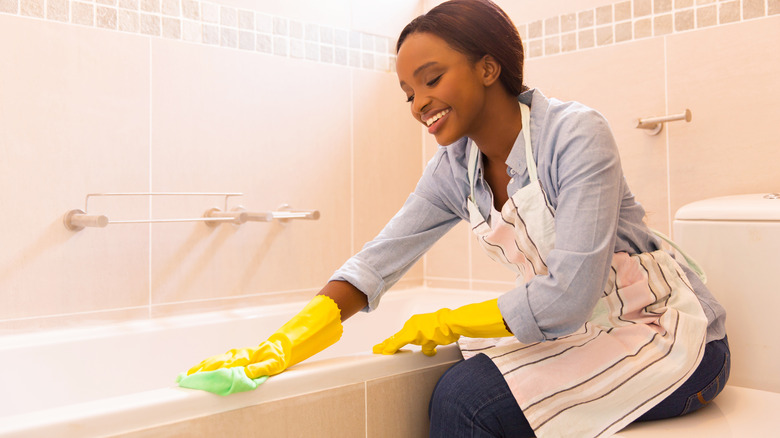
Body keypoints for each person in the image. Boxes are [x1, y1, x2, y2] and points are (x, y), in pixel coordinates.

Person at [185, 1, 729, 436]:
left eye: (431, 78)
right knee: (461, 383)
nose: (419, 102)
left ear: (488, 67)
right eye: (408, 92)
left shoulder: (575, 135)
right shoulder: (455, 168)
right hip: (585, 336)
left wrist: (446, 320)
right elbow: (377, 262)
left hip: (670, 339)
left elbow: (566, 298)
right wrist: (283, 345)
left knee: (466, 398)